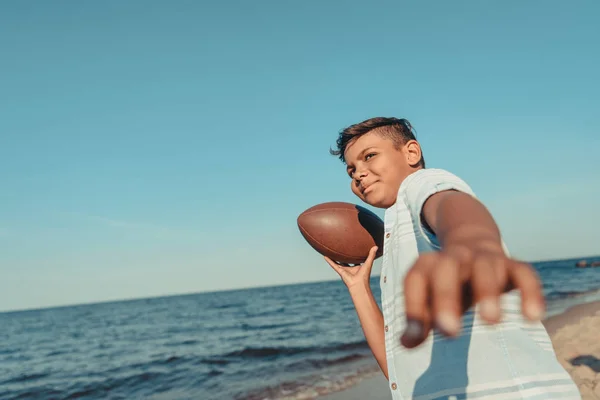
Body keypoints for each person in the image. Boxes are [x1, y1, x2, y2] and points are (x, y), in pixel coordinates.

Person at [324, 117, 581, 399]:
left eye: (369, 156)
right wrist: (358, 289)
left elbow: (450, 204)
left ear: (411, 153)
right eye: (351, 170)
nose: (358, 173)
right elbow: (396, 370)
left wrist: (471, 240)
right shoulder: (396, 235)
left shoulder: (421, 184)